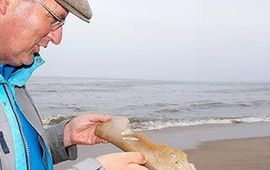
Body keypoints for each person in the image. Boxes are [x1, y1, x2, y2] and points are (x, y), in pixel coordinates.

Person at [0, 0, 148, 169]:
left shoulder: (13, 76)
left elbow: (15, 154)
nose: (58, 38)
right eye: (55, 18)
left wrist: (65, 136)